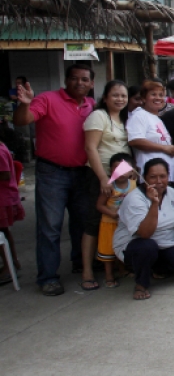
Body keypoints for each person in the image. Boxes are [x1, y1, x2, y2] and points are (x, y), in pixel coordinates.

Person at [12, 63, 95, 296]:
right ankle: (48, 276)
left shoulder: (91, 105)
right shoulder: (47, 99)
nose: (80, 83)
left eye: (85, 79)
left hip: (82, 172)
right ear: (66, 81)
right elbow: (22, 120)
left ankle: (80, 262)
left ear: (91, 84)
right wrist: (25, 104)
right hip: (52, 173)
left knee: (81, 223)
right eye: (75, 78)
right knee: (50, 227)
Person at [113, 158, 174, 300]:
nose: (158, 181)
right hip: (135, 244)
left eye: (162, 176)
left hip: (164, 242)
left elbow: (172, 213)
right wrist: (154, 204)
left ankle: (155, 269)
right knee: (147, 247)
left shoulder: (171, 192)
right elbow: (145, 233)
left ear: (168, 177)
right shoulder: (135, 199)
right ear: (144, 178)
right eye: (153, 177)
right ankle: (141, 284)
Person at [81, 80, 130, 291]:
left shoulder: (123, 118)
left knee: (117, 221)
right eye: (115, 95)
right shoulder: (98, 116)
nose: (120, 99)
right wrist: (103, 178)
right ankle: (87, 271)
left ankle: (114, 264)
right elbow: (90, 148)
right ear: (105, 97)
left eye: (123, 96)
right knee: (95, 222)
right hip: (100, 176)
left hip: (122, 178)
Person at [95, 153, 137, 288]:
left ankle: (123, 269)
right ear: (110, 170)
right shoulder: (109, 186)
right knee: (108, 250)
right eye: (116, 168)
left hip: (125, 223)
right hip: (109, 223)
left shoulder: (134, 185)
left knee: (123, 246)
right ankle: (109, 275)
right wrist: (112, 214)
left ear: (132, 171)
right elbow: (99, 205)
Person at [127, 79, 174, 182]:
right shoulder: (139, 115)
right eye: (153, 94)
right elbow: (135, 140)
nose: (158, 98)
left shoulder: (155, 117)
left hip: (163, 177)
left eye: (161, 94)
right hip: (151, 177)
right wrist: (164, 148)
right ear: (144, 98)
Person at [0, 133, 24, 286]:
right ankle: (12, 263)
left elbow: (5, 174)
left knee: (2, 234)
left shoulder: (0, 151)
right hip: (5, 198)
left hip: (3, 199)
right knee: (3, 233)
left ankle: (10, 265)